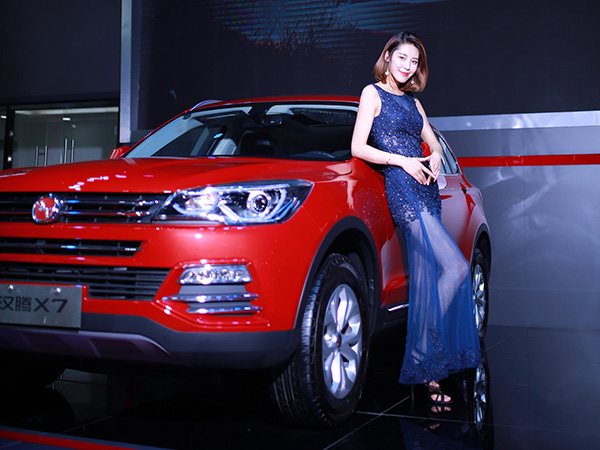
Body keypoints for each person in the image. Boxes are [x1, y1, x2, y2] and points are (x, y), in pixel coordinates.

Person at [351, 32, 481, 405]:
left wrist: (436, 153)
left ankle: (426, 368)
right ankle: (424, 349)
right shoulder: (372, 94)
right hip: (403, 190)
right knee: (456, 268)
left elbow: (432, 139)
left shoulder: (413, 102)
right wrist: (403, 161)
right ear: (387, 57)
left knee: (427, 279)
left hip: (427, 191)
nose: (408, 67)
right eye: (402, 58)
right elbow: (358, 146)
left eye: (414, 62)